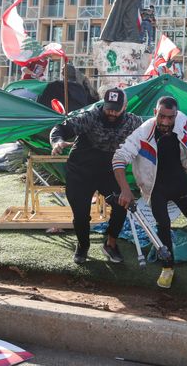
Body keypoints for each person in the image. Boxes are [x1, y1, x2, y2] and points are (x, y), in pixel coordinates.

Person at [112, 96, 187, 288]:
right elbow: (119, 158)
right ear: (155, 113)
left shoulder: (179, 117)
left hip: (179, 181)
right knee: (163, 225)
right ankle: (167, 267)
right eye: (162, 117)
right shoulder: (142, 133)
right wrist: (125, 189)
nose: (166, 122)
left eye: (170, 118)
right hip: (156, 187)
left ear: (175, 114)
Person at [50, 87, 143, 265]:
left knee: (121, 205)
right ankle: (83, 245)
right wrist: (58, 141)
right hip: (81, 170)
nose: (112, 112)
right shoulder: (90, 116)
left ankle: (111, 244)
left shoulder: (133, 122)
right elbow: (60, 128)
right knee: (81, 214)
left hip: (108, 172)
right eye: (108, 107)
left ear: (125, 106)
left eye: (116, 108)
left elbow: (150, 132)